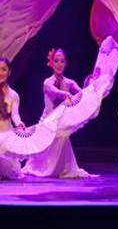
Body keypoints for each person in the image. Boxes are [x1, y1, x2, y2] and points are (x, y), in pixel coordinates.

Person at [22, 48, 97, 179]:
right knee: (43, 155)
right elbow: (55, 92)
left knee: (63, 135)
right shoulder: (47, 82)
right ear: (51, 63)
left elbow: (81, 94)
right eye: (56, 61)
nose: (59, 64)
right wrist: (66, 94)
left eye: (62, 61)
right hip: (47, 122)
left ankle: (61, 168)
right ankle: (45, 168)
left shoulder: (69, 82)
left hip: (60, 123)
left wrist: (90, 87)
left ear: (66, 63)